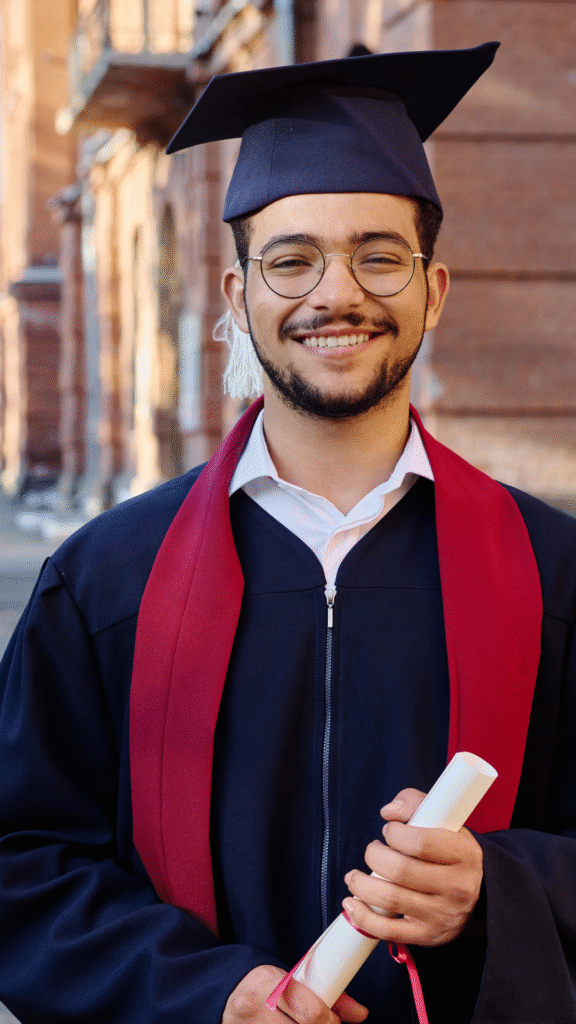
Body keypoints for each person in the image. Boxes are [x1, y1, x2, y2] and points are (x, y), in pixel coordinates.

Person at [1, 43, 576, 1024]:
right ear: (240, 300)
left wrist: (500, 886)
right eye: (291, 259)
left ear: (433, 291)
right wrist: (204, 992)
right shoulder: (105, 584)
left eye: (378, 256)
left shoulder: (554, 574)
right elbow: (21, 865)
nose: (335, 293)